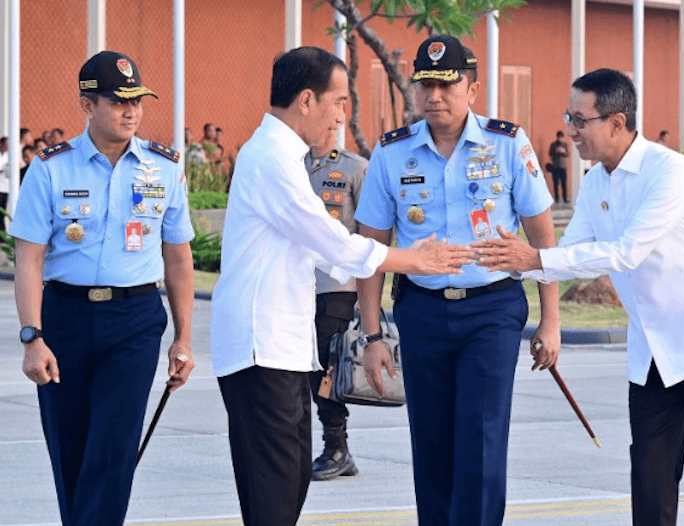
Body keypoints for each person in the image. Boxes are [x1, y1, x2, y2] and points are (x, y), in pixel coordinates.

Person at [473, 68, 684, 526]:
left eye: (580, 119)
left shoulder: (671, 172)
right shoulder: (596, 182)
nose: (571, 130)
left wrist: (534, 258)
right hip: (654, 351)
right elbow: (569, 254)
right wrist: (514, 260)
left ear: (617, 122)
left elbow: (626, 253)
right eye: (568, 117)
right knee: (650, 484)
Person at [209, 46, 473, 526]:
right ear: (306, 100)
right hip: (258, 346)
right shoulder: (270, 156)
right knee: (274, 492)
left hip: (280, 345)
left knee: (289, 485)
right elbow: (329, 239)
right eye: (338, 101)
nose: (342, 115)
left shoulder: (284, 154)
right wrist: (411, 260)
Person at [355, 35, 561, 526]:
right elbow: (370, 251)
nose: (435, 96)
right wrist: (372, 334)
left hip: (491, 310)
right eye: (426, 85)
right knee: (431, 439)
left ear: (473, 87)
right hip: (422, 312)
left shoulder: (509, 144)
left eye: (448, 85)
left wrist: (551, 321)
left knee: (482, 436)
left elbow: (543, 240)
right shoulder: (391, 153)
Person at [10, 50, 196, 526]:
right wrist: (33, 337)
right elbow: (28, 259)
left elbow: (177, 256)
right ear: (87, 105)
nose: (130, 110)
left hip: (133, 321)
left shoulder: (164, 168)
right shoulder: (50, 169)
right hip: (65, 320)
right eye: (117, 101)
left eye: (137, 100)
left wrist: (184, 338)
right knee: (70, 450)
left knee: (113, 450)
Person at [305, 133, 368, 481]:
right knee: (298, 368)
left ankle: (337, 447)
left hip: (337, 285)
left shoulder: (355, 168)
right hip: (295, 283)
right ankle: (304, 445)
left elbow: (370, 230)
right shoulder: (292, 165)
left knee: (328, 366)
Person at [548, 130, 570, 203]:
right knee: (556, 183)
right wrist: (556, 151)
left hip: (563, 166)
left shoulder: (565, 145)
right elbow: (550, 153)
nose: (560, 138)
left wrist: (563, 152)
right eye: (559, 137)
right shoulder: (553, 145)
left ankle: (565, 198)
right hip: (555, 166)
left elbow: (568, 153)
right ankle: (557, 198)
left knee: (564, 183)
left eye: (561, 137)